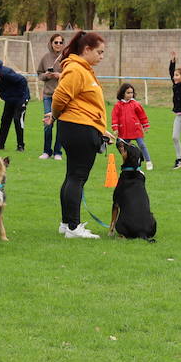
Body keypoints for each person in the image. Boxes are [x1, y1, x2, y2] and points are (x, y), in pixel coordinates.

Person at [44, 30, 112, 239]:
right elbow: (60, 97)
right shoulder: (76, 69)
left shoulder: (83, 70)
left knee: (72, 176)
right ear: (87, 49)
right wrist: (55, 116)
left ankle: (66, 223)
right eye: (99, 52)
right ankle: (73, 227)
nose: (101, 56)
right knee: (77, 177)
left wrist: (100, 127)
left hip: (83, 127)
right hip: (78, 129)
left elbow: (85, 104)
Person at [0, 58, 31, 151]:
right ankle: (0, 145)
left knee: (17, 120)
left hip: (21, 98)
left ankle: (20, 146)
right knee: (5, 120)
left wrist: (23, 99)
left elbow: (23, 80)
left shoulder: (5, 73)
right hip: (10, 99)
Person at [37, 33, 65, 160]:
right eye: (56, 42)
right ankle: (46, 151)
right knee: (48, 124)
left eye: (60, 42)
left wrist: (60, 75)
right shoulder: (45, 58)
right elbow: (39, 74)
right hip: (48, 95)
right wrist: (47, 75)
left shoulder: (66, 58)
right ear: (51, 43)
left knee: (61, 124)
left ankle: (58, 152)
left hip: (62, 96)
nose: (58, 45)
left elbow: (71, 75)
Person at [111, 82, 153, 170]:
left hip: (136, 129)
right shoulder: (118, 105)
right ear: (123, 93)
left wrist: (145, 125)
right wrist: (115, 128)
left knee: (142, 145)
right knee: (124, 148)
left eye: (132, 93)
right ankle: (127, 162)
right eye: (128, 93)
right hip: (124, 130)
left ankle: (148, 161)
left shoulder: (135, 104)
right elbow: (114, 117)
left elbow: (142, 115)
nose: (130, 95)